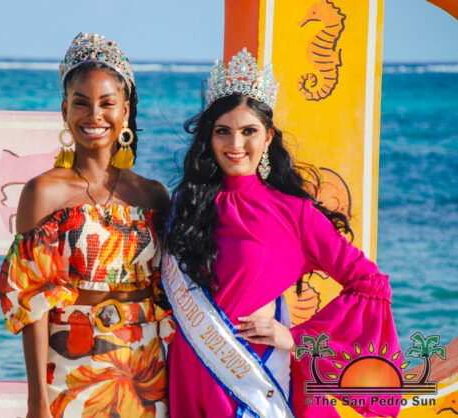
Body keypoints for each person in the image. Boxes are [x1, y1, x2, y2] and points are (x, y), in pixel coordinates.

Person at [163, 48, 401, 417]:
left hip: (253, 377)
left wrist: (295, 339)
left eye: (249, 132)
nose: (235, 145)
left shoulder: (295, 214)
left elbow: (370, 284)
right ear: (209, 138)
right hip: (190, 370)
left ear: (269, 137)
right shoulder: (186, 204)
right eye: (223, 132)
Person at [0, 33, 175, 418]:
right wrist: (37, 402)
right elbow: (32, 305)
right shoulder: (42, 193)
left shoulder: (153, 195)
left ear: (125, 111)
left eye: (107, 103)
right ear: (65, 110)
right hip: (70, 371)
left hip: (145, 370)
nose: (94, 115)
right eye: (81, 103)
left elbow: (172, 296)